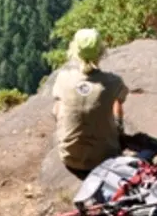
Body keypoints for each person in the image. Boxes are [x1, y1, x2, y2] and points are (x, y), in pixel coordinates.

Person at [52, 29, 129, 178]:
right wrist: (118, 126)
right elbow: (120, 100)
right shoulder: (113, 82)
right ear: (101, 52)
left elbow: (57, 110)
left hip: (69, 158)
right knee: (114, 106)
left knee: (59, 105)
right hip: (105, 158)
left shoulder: (63, 79)